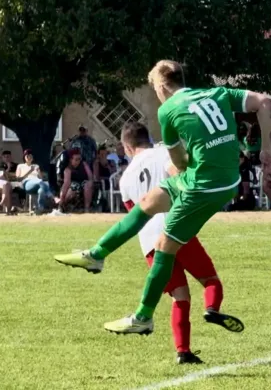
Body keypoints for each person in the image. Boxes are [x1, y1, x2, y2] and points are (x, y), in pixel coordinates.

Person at [55, 59, 271, 335]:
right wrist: (267, 147)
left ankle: (143, 316)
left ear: (160, 85)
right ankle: (97, 254)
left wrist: (188, 162)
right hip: (218, 178)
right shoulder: (216, 93)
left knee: (163, 246)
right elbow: (264, 101)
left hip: (202, 185)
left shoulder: (168, 109)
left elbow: (178, 160)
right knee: (148, 202)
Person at [102, 121, 243, 363]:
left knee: (180, 296)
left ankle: (183, 352)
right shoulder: (163, 153)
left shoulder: (124, 179)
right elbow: (179, 174)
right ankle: (212, 309)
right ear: (148, 138)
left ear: (126, 146)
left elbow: (135, 216)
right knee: (210, 281)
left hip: (150, 242)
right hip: (177, 230)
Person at [16, 149, 58, 214]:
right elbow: (18, 179)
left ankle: (40, 209)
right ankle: (53, 197)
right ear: (24, 157)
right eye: (27, 156)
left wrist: (38, 172)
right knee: (40, 182)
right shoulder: (20, 166)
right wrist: (30, 171)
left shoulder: (36, 166)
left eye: (30, 156)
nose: (29, 157)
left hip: (38, 184)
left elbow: (41, 178)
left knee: (41, 190)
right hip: (27, 183)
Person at [59, 149, 93, 213]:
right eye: (76, 159)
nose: (78, 161)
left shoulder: (84, 164)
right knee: (72, 189)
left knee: (87, 185)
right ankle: (63, 206)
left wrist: (91, 182)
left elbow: (90, 177)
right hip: (73, 186)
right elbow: (66, 184)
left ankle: (87, 208)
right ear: (71, 160)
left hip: (84, 183)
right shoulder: (68, 169)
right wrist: (62, 198)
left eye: (79, 159)